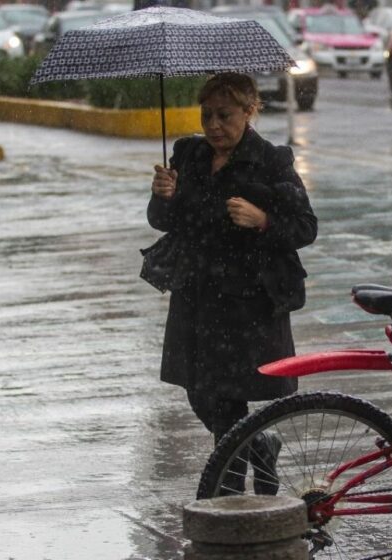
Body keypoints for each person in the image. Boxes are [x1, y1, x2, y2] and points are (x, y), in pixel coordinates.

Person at [147, 73, 317, 492]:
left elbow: (305, 227)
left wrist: (263, 222)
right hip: (197, 294)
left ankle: (229, 494)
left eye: (225, 115)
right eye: (207, 115)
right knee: (202, 393)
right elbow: (163, 221)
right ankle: (259, 444)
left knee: (230, 395)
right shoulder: (187, 154)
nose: (214, 125)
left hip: (248, 299)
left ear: (249, 111)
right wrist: (162, 196)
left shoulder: (271, 160)